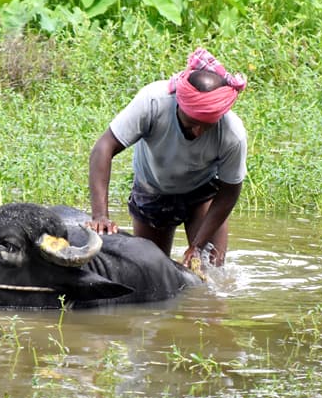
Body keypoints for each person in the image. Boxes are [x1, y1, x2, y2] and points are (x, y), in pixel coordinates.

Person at [86, 47, 248, 270]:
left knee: (211, 274)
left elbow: (230, 191)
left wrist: (198, 245)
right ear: (179, 105)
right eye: (192, 123)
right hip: (153, 192)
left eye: (207, 126)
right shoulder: (153, 102)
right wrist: (100, 215)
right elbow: (103, 148)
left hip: (201, 194)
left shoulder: (232, 132)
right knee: (150, 273)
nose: (198, 132)